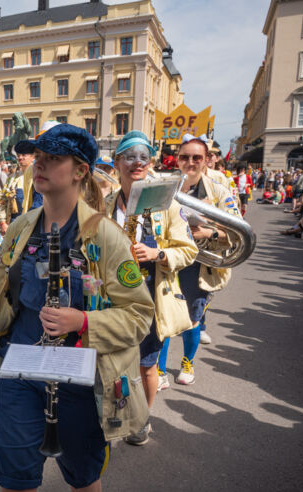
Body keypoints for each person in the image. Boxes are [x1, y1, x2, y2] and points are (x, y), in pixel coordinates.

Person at [0, 123, 153, 492]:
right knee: (14, 477)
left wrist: (83, 320)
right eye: (38, 157)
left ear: (80, 170)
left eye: (53, 158)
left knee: (84, 477)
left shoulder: (107, 235)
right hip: (21, 369)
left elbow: (139, 316)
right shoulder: (20, 227)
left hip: (82, 378)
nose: (39, 165)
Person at [105, 130, 197, 445]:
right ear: (117, 162)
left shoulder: (166, 202)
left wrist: (158, 253)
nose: (137, 162)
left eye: (143, 157)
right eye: (129, 156)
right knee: (113, 362)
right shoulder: (104, 202)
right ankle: (115, 414)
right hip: (112, 298)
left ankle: (142, 420)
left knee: (146, 366)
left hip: (150, 299)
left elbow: (188, 250)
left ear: (151, 162)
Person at [156, 134, 241, 390]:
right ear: (177, 159)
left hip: (199, 265)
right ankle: (159, 370)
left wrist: (208, 233)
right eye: (185, 157)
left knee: (192, 318)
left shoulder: (219, 190)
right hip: (168, 261)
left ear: (206, 161)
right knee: (163, 316)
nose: (190, 162)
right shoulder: (165, 185)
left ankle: (186, 364)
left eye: (196, 158)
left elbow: (238, 234)